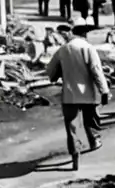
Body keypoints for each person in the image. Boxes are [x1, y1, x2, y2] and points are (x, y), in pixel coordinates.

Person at [46, 23, 110, 171]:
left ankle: (75, 155)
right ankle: (94, 141)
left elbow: (50, 71)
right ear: (85, 35)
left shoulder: (62, 50)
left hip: (69, 94)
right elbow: (96, 71)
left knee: (72, 126)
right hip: (88, 93)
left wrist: (56, 76)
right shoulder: (88, 48)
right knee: (91, 118)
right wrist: (104, 91)